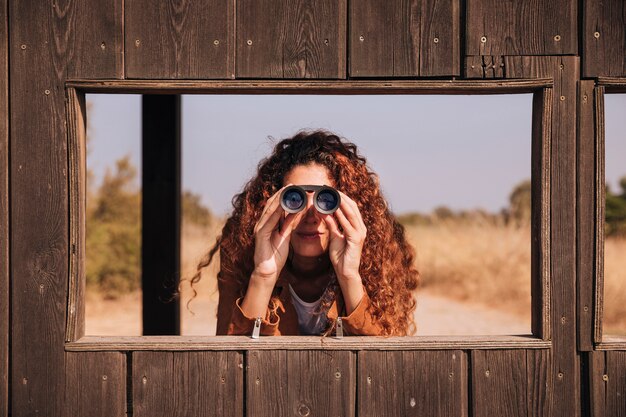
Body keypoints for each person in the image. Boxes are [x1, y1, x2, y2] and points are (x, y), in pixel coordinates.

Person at [192, 130, 419, 336]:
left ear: (350, 206)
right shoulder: (242, 243)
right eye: (294, 199)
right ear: (271, 203)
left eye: (326, 200)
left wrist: (350, 275)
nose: (310, 216)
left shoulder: (374, 249)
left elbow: (387, 356)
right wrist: (262, 275)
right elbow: (228, 357)